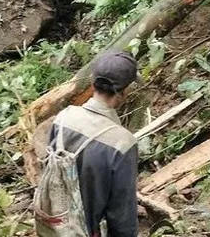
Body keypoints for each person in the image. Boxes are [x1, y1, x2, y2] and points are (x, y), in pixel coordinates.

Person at [45, 51, 140, 237]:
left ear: (92, 82)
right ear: (124, 92)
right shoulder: (122, 143)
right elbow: (121, 214)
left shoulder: (63, 118)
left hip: (56, 225)